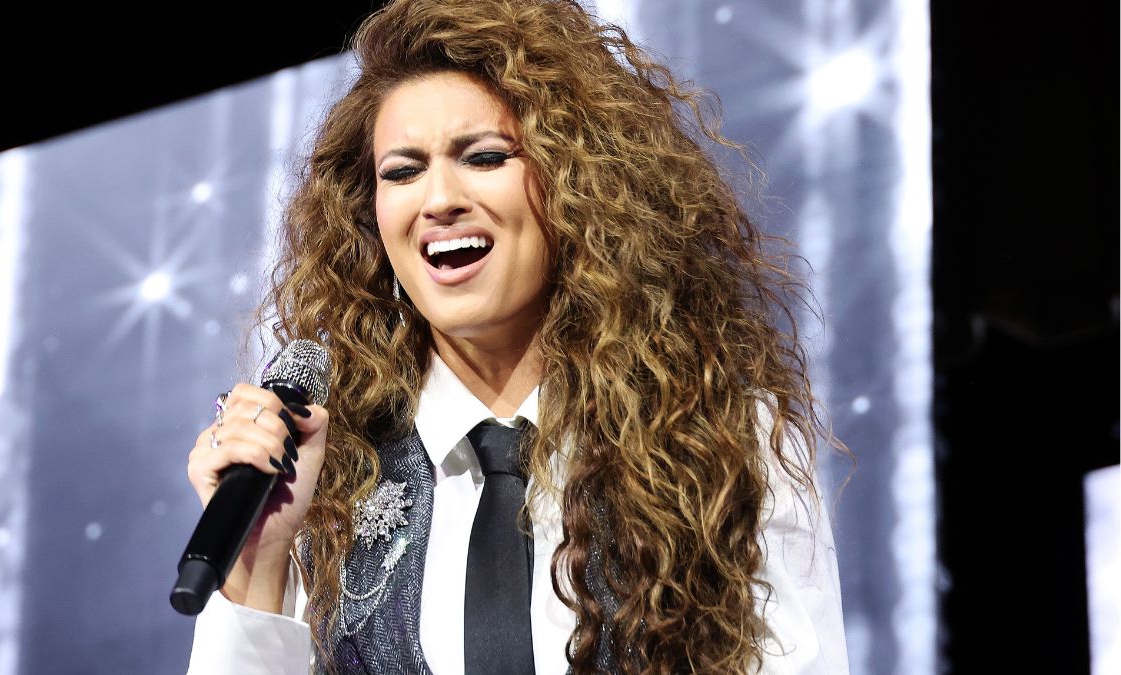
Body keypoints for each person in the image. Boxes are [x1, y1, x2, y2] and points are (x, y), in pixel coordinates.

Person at [185, 0, 848, 673]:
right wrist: (260, 565)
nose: (438, 199)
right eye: (402, 172)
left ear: (575, 180)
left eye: (484, 156)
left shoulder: (721, 437)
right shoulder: (326, 482)